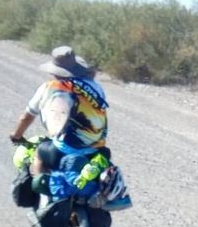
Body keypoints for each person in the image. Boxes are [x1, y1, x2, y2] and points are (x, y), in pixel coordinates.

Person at [10, 46, 129, 208]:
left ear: (55, 71)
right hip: (95, 150)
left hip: (62, 149)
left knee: (39, 152)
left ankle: (43, 191)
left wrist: (16, 135)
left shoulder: (49, 87)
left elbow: (26, 117)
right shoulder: (96, 88)